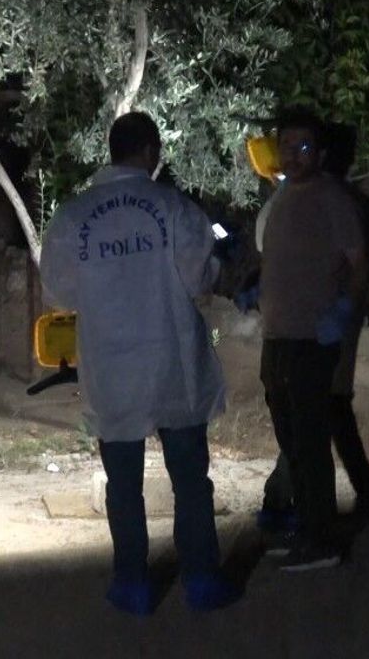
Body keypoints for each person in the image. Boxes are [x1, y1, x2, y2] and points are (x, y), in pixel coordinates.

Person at [41, 112, 240, 614]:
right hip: (173, 364)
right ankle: (201, 580)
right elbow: (201, 279)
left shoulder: (73, 216)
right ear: (151, 152)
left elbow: (59, 291)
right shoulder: (173, 208)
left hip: (112, 368)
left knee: (124, 483)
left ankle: (133, 584)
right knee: (190, 479)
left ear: (111, 150)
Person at [254, 123, 369, 535]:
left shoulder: (329, 201)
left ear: (320, 154)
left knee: (311, 423)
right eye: (285, 145)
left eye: (302, 146)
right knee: (313, 417)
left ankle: (302, 517)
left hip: (315, 331)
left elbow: (362, 266)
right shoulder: (289, 202)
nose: (291, 154)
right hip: (290, 332)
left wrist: (341, 310)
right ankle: (318, 504)